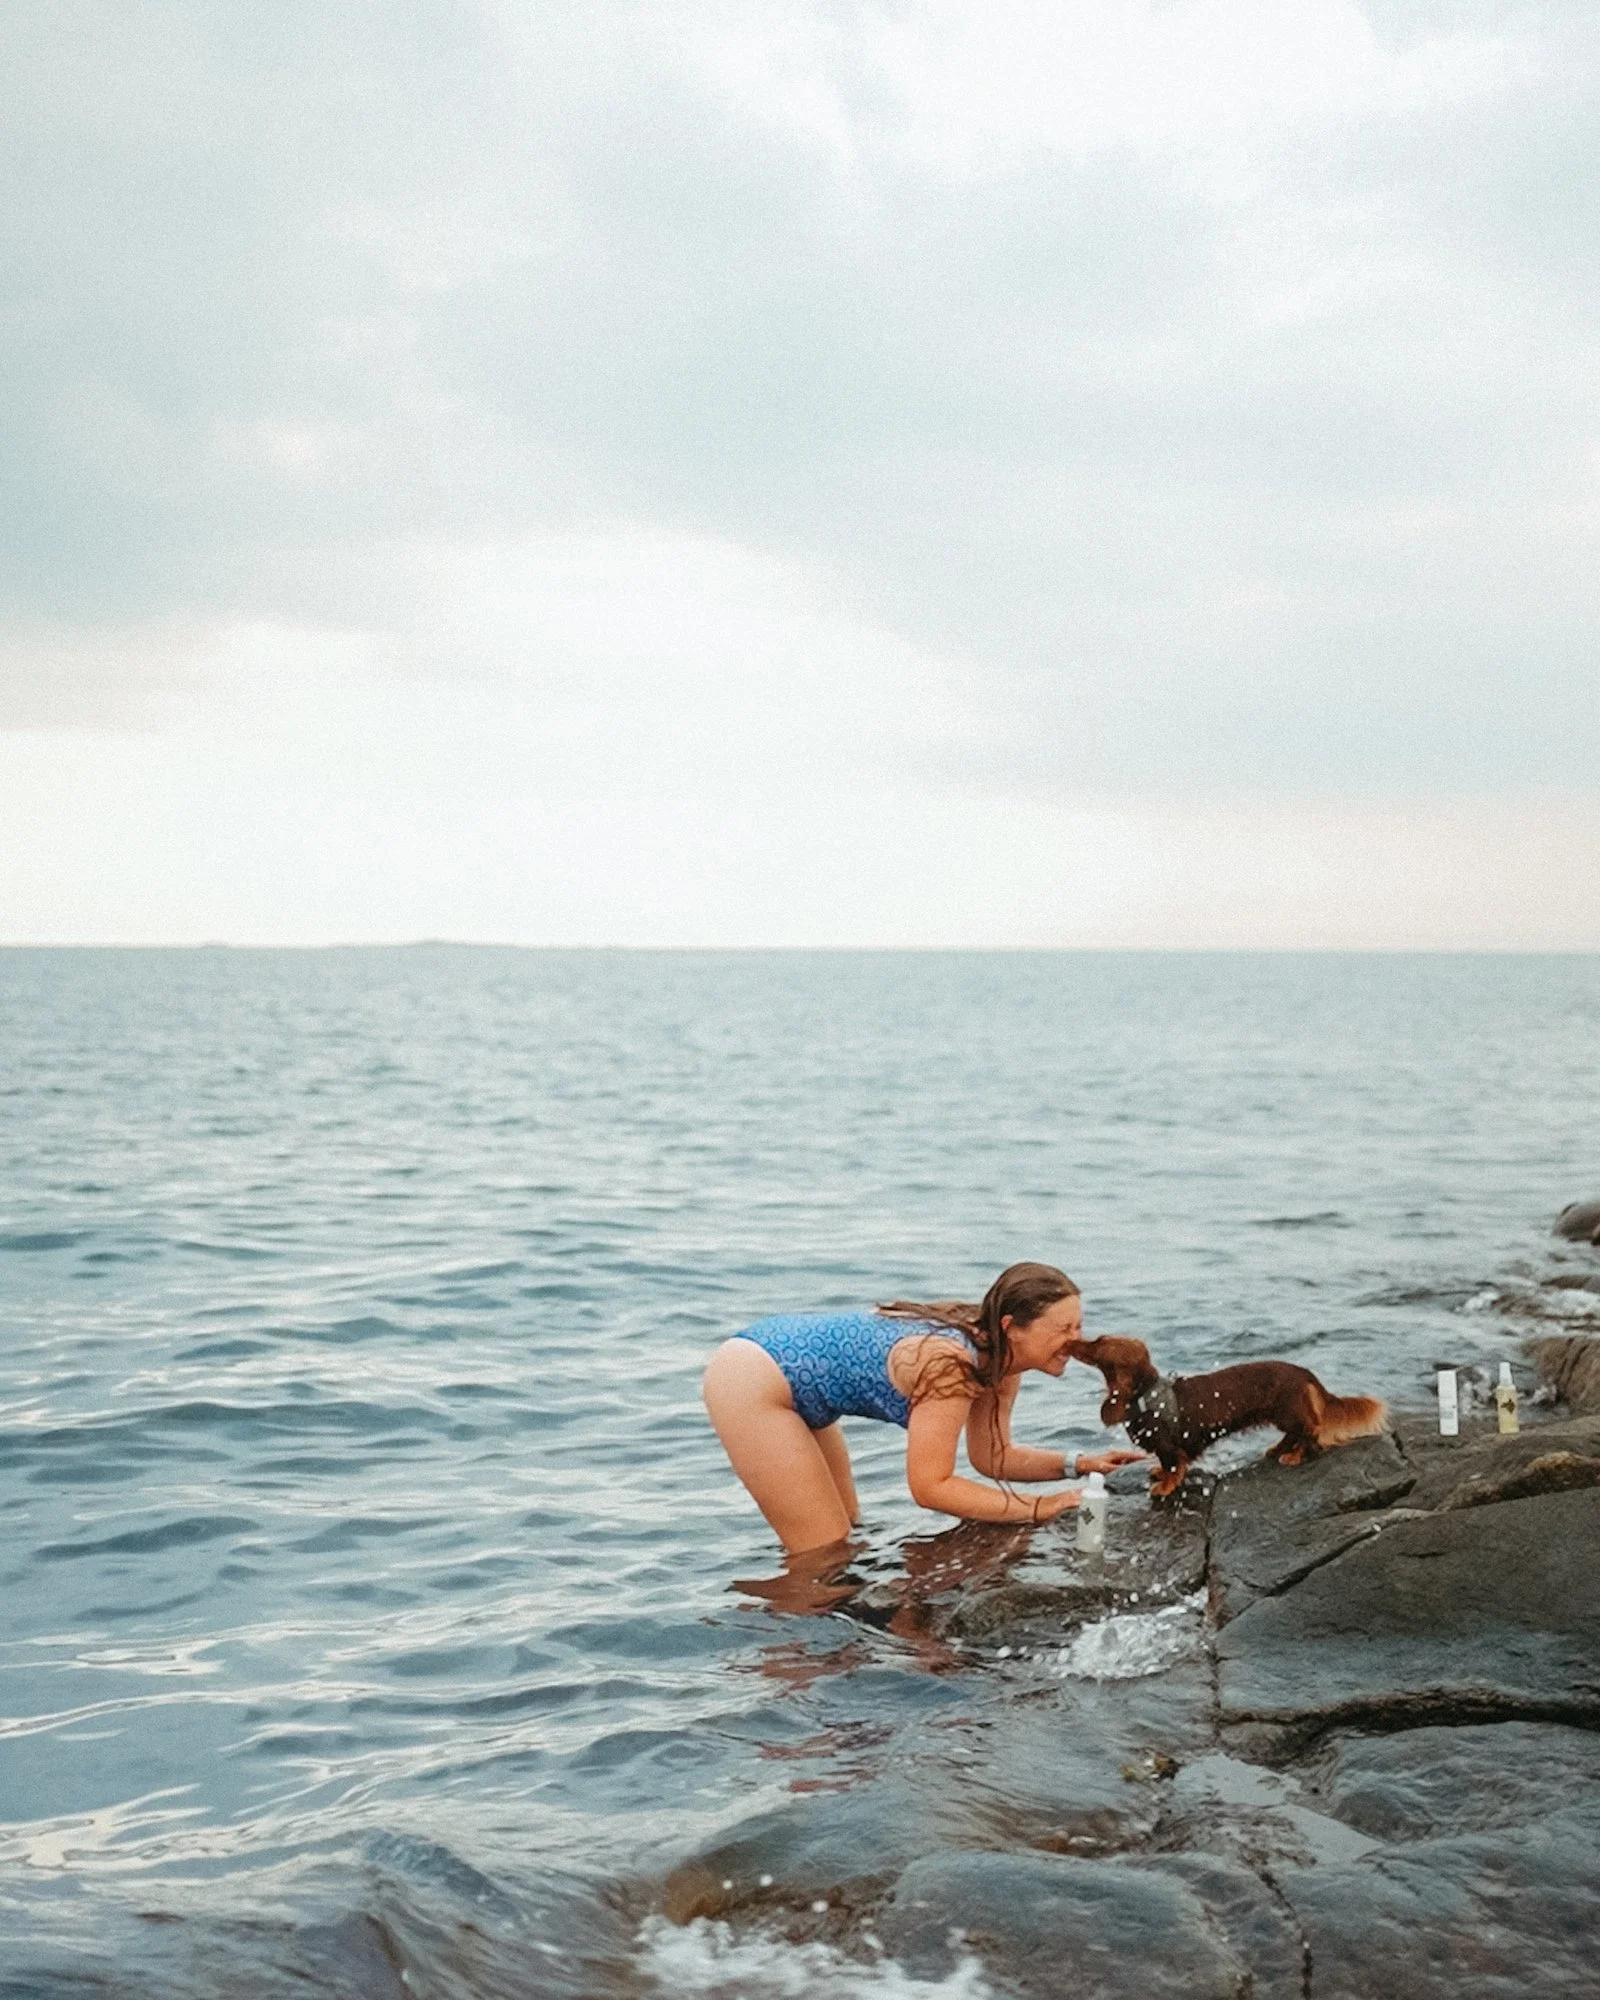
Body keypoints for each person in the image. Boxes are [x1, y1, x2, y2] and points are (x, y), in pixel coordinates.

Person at [702, 1261, 1148, 1554]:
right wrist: (1039, 1508)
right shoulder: (951, 1365)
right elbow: (929, 1486)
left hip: (802, 1380)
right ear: (1013, 1327)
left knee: (847, 1537)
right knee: (821, 1552)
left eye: (1080, 1325)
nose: (1076, 1341)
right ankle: (793, 1679)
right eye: (1063, 1329)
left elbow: (992, 1456)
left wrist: (1079, 1464)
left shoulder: (1002, 1365)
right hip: (755, 1376)